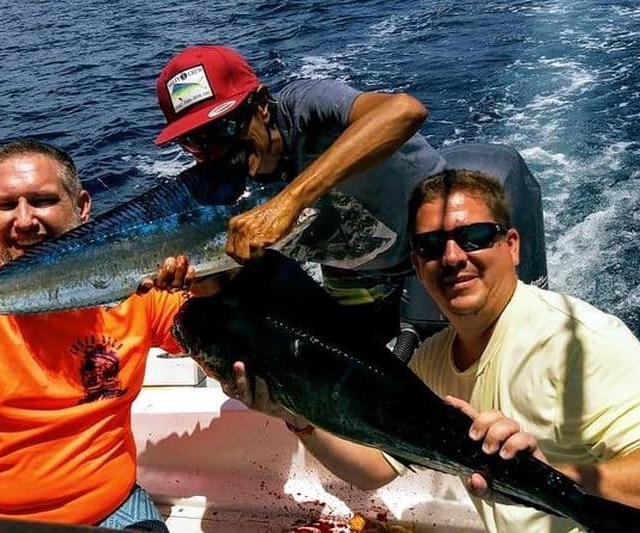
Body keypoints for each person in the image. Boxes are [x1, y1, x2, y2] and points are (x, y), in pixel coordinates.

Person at [222, 168, 640, 531]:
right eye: (432, 245)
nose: (453, 257)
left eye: (474, 236)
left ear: (512, 246)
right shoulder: (432, 358)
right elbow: (375, 468)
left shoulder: (578, 340)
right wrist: (295, 411)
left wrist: (546, 475)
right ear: (417, 265)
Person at [154, 44, 547, 351]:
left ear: (262, 106)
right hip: (356, 273)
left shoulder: (308, 106)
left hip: (438, 248)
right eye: (196, 140)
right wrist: (197, 279)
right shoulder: (221, 186)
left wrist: (289, 202)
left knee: (485, 353)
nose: (216, 149)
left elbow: (405, 110)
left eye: (227, 127)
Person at [0, 139, 197, 531]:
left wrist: (210, 287)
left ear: (82, 206)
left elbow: (209, 334)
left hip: (111, 509)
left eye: (41, 200)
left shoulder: (134, 287)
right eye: (5, 205)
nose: (23, 220)